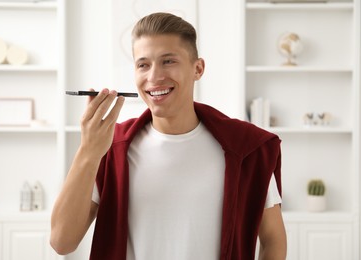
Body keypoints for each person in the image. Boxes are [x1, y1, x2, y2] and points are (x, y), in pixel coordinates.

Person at [50, 12, 287, 260]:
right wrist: (88, 151)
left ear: (198, 68)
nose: (154, 77)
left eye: (168, 61)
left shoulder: (247, 149)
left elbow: (272, 240)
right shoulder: (110, 147)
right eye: (143, 64)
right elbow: (61, 241)